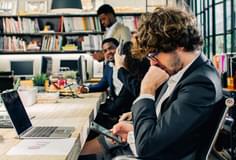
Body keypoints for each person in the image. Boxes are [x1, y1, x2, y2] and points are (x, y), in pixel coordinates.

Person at [80, 6, 223, 160]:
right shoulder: (183, 71)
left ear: (179, 43)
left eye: (154, 54)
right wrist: (134, 129)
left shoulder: (200, 83)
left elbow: (147, 146)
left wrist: (147, 88)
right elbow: (166, 125)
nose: (153, 64)